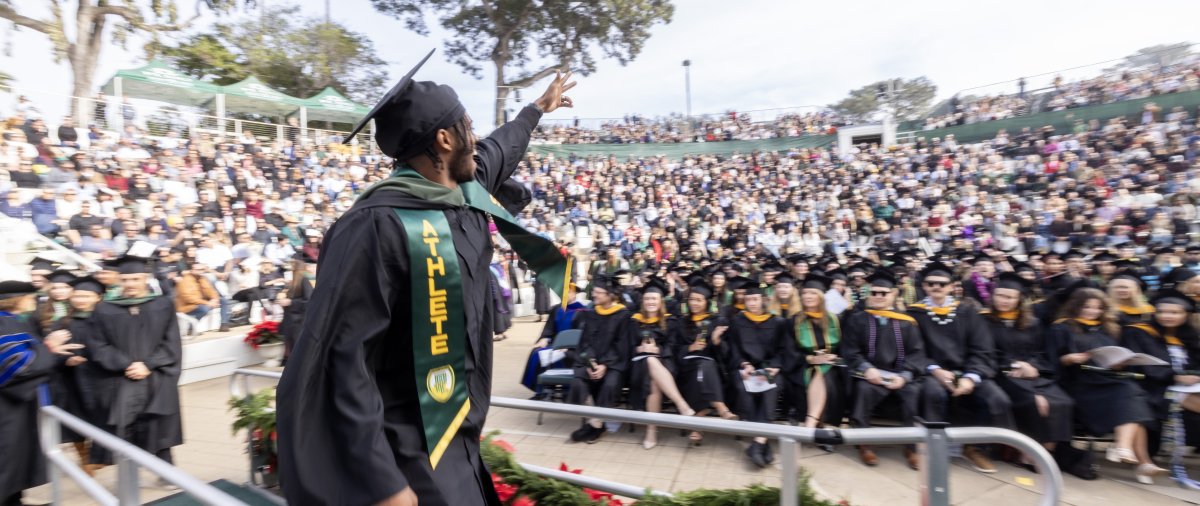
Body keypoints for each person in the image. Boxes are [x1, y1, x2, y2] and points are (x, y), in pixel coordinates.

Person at [276, 53, 576, 506]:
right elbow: (340, 358)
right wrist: (381, 482)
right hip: (405, 452)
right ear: (444, 139)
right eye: (468, 129)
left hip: (459, 442)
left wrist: (536, 109)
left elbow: (502, 147)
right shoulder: (376, 226)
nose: (476, 140)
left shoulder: (462, 195)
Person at [1045, 286, 1164, 484]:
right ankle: (1136, 457)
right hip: (1079, 384)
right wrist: (1069, 358)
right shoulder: (1062, 327)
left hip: (1106, 380)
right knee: (1130, 395)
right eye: (1087, 307)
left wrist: (1118, 363)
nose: (1092, 312)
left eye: (1097, 308)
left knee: (1132, 396)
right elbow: (1053, 361)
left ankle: (1138, 458)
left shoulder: (1107, 328)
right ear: (1076, 306)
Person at [87, 255, 183, 489]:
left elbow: (171, 343)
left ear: (146, 278)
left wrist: (148, 364)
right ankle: (128, 477)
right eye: (125, 279)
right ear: (119, 280)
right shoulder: (104, 309)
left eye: (136, 278)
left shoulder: (162, 305)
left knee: (158, 426)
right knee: (123, 427)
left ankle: (167, 473)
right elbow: (97, 345)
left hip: (155, 377)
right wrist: (125, 364)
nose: (130, 283)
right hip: (120, 378)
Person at [908, 261, 1012, 474]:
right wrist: (935, 370)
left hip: (968, 370)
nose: (936, 287)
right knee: (934, 393)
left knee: (997, 399)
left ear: (951, 287)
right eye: (931, 283)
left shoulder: (967, 312)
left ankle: (975, 448)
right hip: (932, 372)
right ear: (924, 286)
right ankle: (935, 448)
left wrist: (971, 377)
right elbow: (913, 351)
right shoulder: (914, 314)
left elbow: (982, 348)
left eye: (942, 284)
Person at [980, 273, 1081, 477]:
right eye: (999, 295)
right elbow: (986, 351)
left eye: (1009, 297)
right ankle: (1028, 452)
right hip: (1000, 373)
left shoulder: (1032, 323)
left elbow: (1040, 352)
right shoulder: (983, 320)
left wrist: (1032, 366)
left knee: (1064, 402)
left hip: (1032, 373)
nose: (1003, 301)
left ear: (1019, 299)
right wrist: (1016, 365)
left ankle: (1048, 450)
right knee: (1036, 402)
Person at [0, 281, 81, 506]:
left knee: (14, 459)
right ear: (17, 299)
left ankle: (14, 499)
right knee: (6, 458)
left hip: (18, 408)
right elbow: (18, 367)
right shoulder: (3, 323)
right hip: (7, 410)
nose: (34, 301)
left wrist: (50, 351)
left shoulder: (15, 321)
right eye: (31, 297)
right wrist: (49, 347)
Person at [842, 271, 927, 470]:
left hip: (899, 375)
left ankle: (910, 446)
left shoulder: (907, 322)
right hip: (870, 376)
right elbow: (850, 350)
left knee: (913, 392)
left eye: (883, 293)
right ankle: (864, 442)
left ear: (894, 294)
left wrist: (905, 376)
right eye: (874, 293)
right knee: (863, 390)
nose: (878, 296)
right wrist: (867, 369)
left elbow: (917, 353)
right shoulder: (858, 319)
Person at [725, 279, 790, 468]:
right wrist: (743, 364)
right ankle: (762, 441)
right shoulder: (738, 321)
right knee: (741, 385)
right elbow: (734, 348)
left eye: (755, 299)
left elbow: (783, 349)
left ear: (763, 300)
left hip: (769, 368)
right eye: (748, 300)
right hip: (746, 369)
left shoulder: (777, 322)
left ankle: (757, 442)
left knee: (772, 387)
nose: (752, 303)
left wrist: (775, 366)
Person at [626, 279, 695, 449]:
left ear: (660, 301)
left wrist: (658, 351)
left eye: (654, 299)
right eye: (647, 299)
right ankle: (681, 404)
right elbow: (626, 346)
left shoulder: (670, 321)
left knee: (654, 377)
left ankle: (651, 431)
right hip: (638, 364)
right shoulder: (634, 321)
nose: (650, 302)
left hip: (665, 362)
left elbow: (674, 346)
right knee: (649, 364)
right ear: (643, 301)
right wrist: (640, 349)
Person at [48, 275, 107, 475]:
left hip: (102, 378)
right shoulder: (62, 323)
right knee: (75, 422)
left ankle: (100, 454)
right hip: (72, 380)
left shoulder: (110, 319)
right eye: (77, 295)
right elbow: (51, 351)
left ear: (98, 297)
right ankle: (85, 458)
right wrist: (66, 360)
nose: (80, 299)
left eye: (86, 295)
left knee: (103, 418)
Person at [567, 274, 631, 444]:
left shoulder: (623, 316)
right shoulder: (591, 313)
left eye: (598, 292)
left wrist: (605, 365)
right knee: (578, 381)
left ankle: (596, 425)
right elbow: (585, 342)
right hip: (592, 362)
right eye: (594, 291)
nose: (594, 295)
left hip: (614, 364)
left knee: (610, 383)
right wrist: (591, 362)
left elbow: (622, 346)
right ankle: (594, 423)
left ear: (610, 295)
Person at [673, 279, 737, 446]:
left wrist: (716, 340)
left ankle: (696, 425)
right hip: (686, 366)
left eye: (699, 300)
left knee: (703, 368)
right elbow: (673, 350)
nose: (694, 303)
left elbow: (726, 352)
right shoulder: (681, 322)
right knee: (700, 368)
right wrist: (690, 348)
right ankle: (722, 408)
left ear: (707, 302)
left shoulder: (717, 321)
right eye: (692, 299)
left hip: (711, 368)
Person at [783, 273, 848, 436]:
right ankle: (819, 424)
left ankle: (811, 421)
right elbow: (788, 350)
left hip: (833, 364)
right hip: (802, 365)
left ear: (821, 296)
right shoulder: (793, 321)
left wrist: (832, 357)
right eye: (805, 293)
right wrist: (811, 358)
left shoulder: (836, 319)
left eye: (812, 293)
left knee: (825, 372)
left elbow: (845, 347)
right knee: (819, 371)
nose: (807, 296)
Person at [520, 281, 585, 398]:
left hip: (571, 349)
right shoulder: (556, 309)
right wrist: (545, 338)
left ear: (575, 293)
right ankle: (541, 390)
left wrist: (569, 347)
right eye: (563, 292)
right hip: (555, 345)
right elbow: (549, 329)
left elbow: (582, 334)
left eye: (569, 292)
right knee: (536, 353)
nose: (565, 295)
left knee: (556, 356)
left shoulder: (582, 311)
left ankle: (565, 389)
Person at [277, 252, 315, 359]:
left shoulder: (304, 279)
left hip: (299, 320)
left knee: (298, 348)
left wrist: (291, 302)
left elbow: (309, 300)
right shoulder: (291, 281)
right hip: (290, 319)